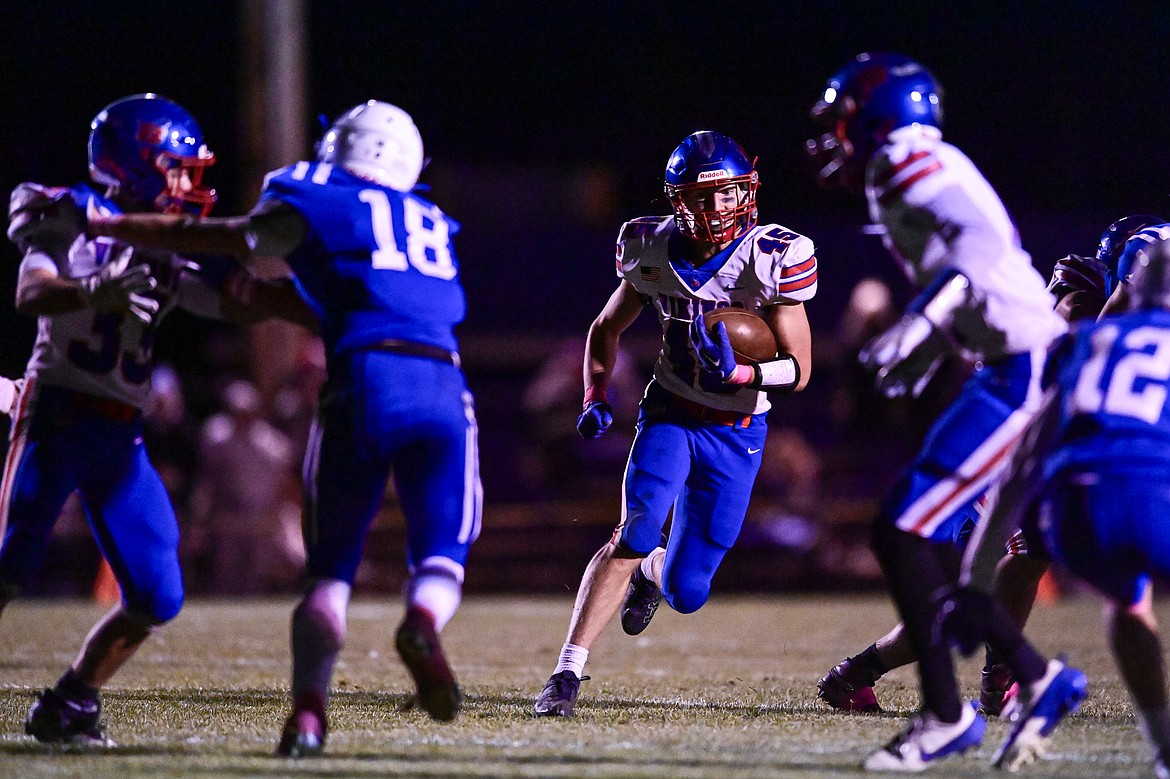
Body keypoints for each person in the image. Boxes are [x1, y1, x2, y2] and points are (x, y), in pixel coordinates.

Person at [88, 100, 483, 757]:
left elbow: (235, 239)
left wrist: (127, 226)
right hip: (444, 383)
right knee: (442, 556)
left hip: (364, 380)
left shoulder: (314, 192)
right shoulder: (432, 221)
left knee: (328, 575)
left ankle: (307, 716)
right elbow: (372, 294)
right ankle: (421, 619)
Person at [1, 93, 310, 746]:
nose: (188, 183)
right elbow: (30, 291)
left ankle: (71, 703)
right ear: (137, 164)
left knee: (157, 592)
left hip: (120, 434)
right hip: (54, 415)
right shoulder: (69, 211)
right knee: (8, 565)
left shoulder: (171, 244)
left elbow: (238, 303)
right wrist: (89, 290)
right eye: (176, 167)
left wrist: (314, 298)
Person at [806, 53, 1086, 771]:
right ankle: (1035, 674)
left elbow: (972, 256)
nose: (832, 138)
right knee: (938, 550)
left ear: (876, 119)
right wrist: (928, 346)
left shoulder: (901, 163)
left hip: (1018, 368)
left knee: (903, 527)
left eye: (842, 122)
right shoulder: (910, 168)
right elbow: (974, 272)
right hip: (1012, 361)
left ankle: (946, 714)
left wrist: (920, 327)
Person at [532, 130, 815, 717]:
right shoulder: (649, 247)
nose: (715, 209)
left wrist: (742, 377)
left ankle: (656, 573)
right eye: (700, 197)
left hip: (736, 431)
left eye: (727, 194)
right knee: (635, 528)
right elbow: (605, 330)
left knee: (689, 591)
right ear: (676, 200)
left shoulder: (773, 256)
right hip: (670, 411)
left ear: (748, 192)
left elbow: (800, 370)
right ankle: (567, 672)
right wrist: (594, 393)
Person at [815, 228, 1128, 717]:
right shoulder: (1082, 291)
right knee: (1008, 565)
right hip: (997, 443)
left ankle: (860, 673)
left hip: (1025, 448)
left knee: (990, 582)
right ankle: (993, 676)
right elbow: (1070, 358)